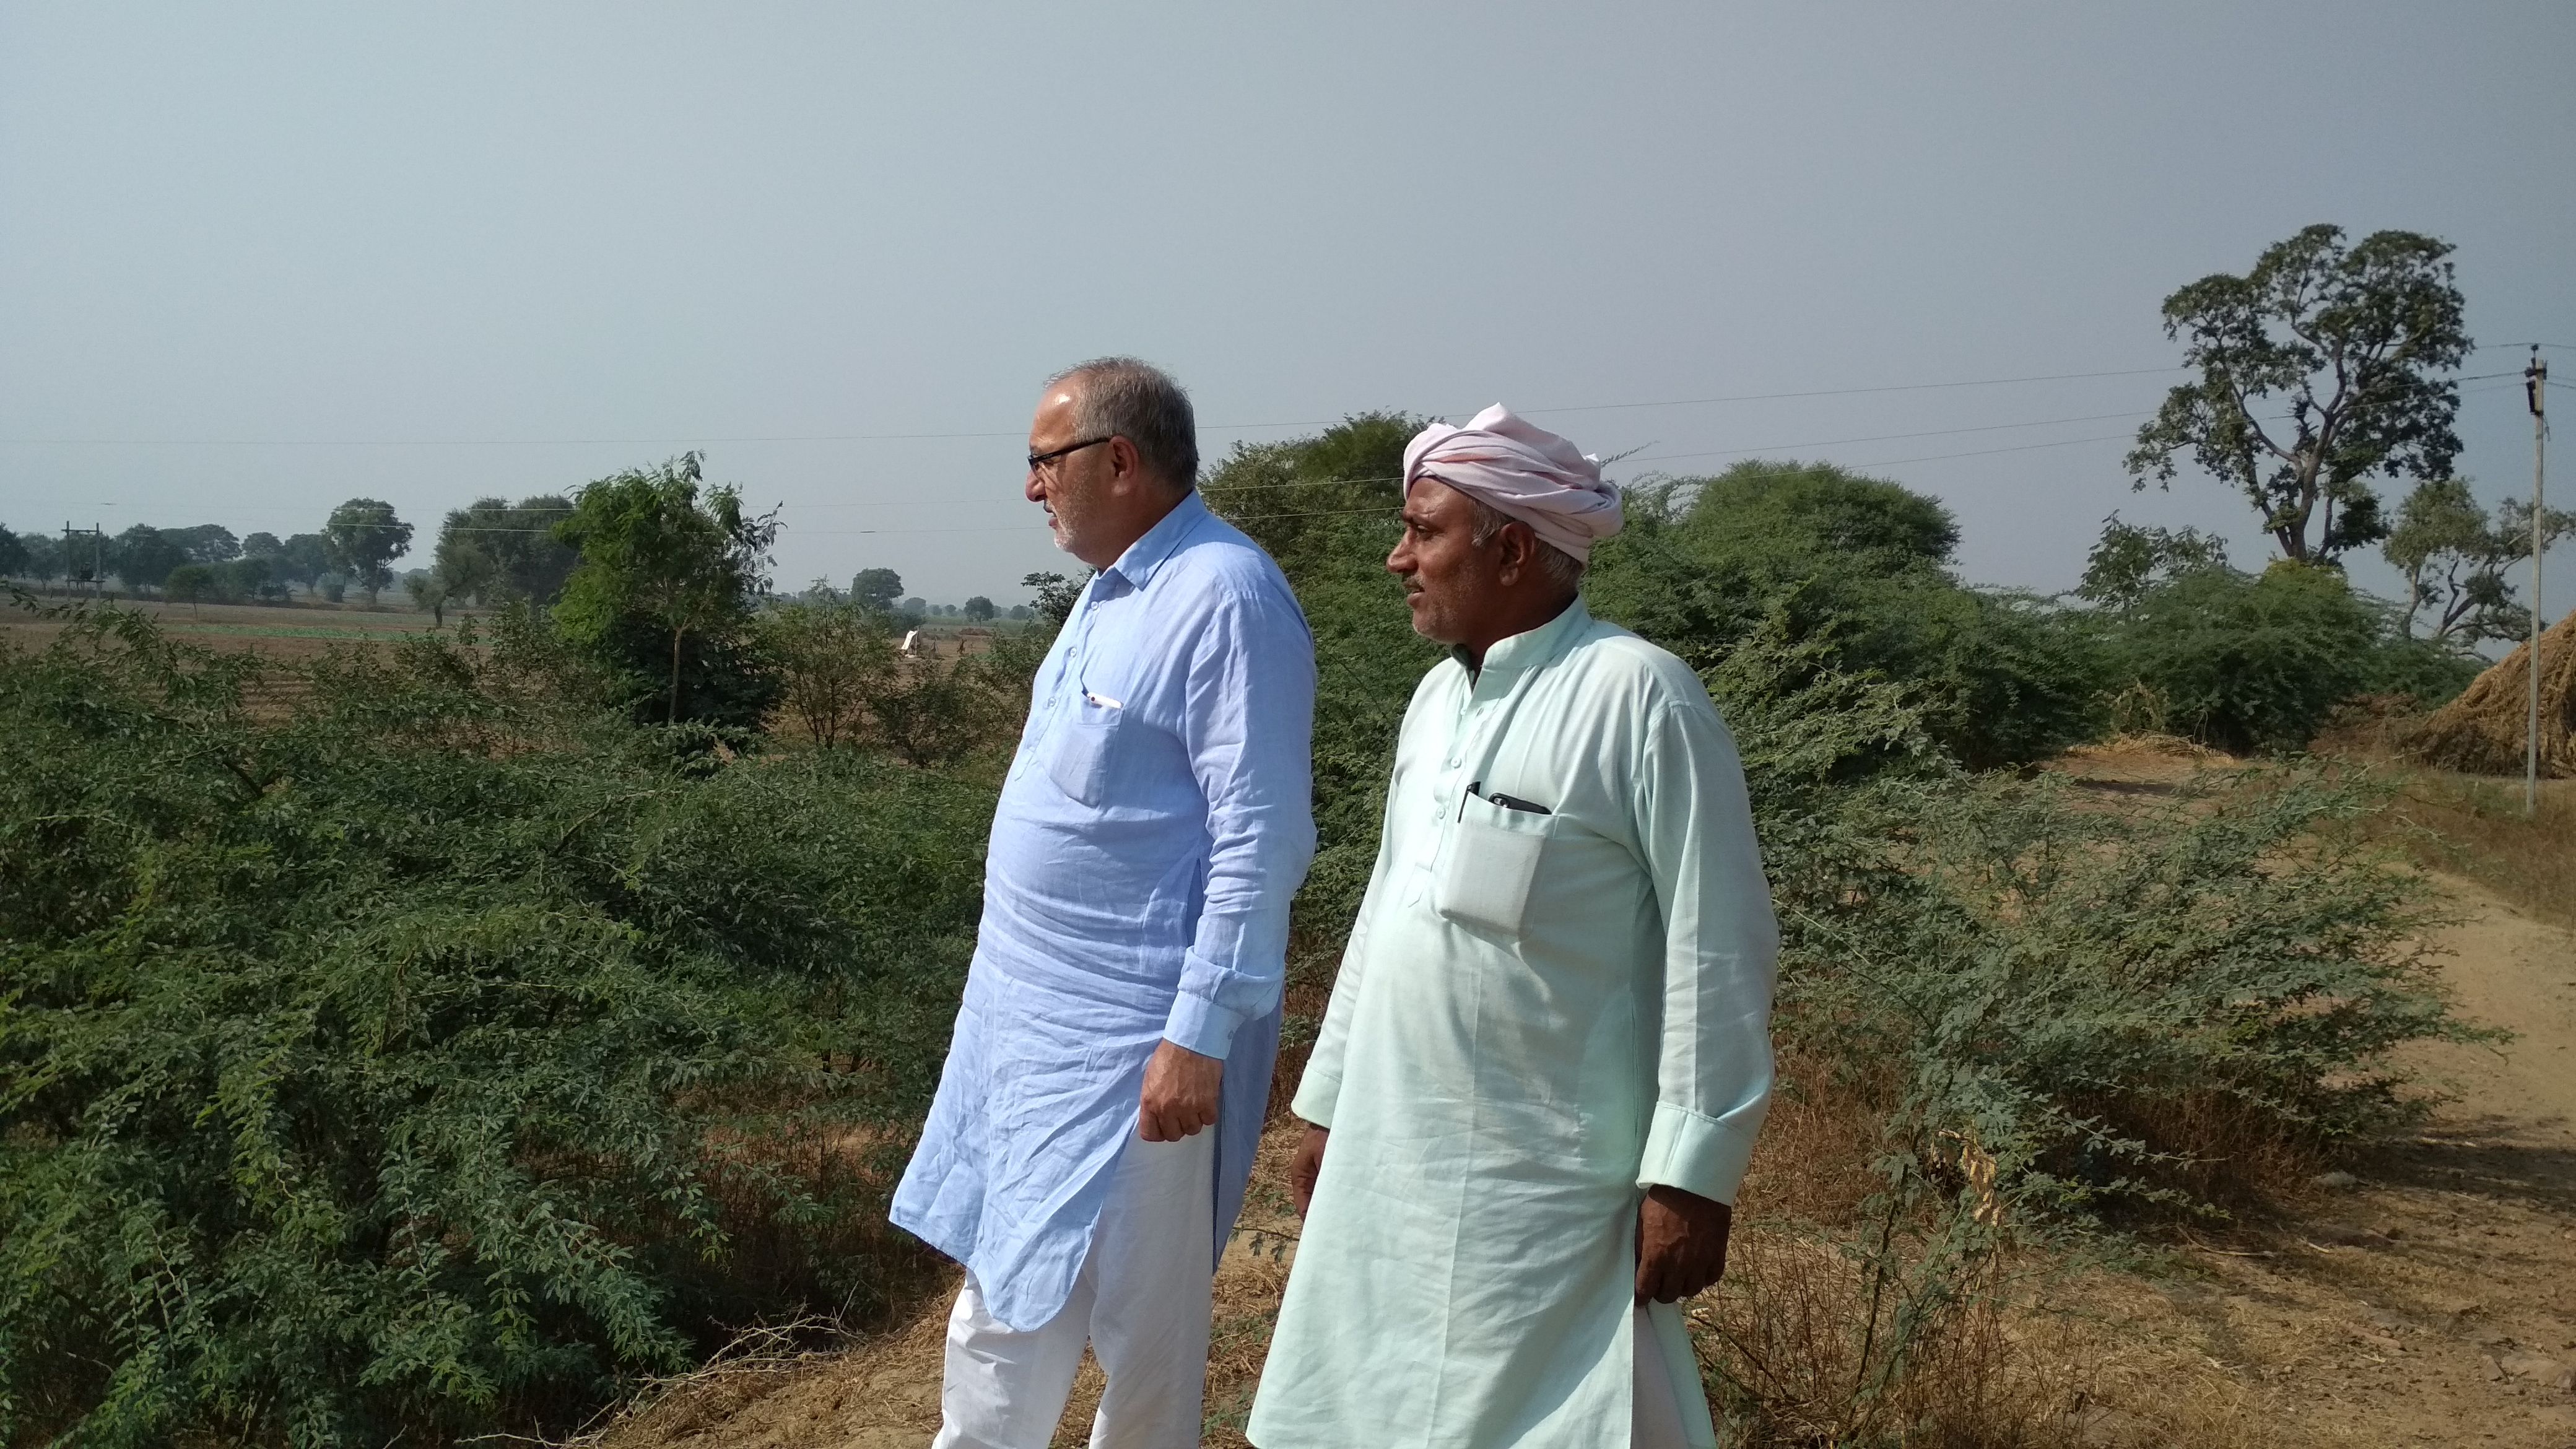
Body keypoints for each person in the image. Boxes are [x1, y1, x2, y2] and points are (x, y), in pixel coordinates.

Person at [1246, 406, 1778, 1449]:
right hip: (1397, 1151)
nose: (1399, 559)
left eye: (1425, 531)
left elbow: (1722, 947)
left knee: (1552, 1413)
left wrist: (1692, 1176)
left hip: (1545, 1182)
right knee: (1371, 1402)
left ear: (1516, 547)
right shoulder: (1435, 705)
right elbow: (1384, 917)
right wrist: (1326, 1106)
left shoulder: (1638, 697)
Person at [891, 358, 1317, 1448]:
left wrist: (1197, 1033)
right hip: (1033, 1036)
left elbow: (1259, 836)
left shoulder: (1226, 594)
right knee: (1001, 1306)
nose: (1032, 489)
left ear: (1117, 461)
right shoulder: (1112, 589)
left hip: (1140, 1049)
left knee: (1144, 1348)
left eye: (1044, 462)